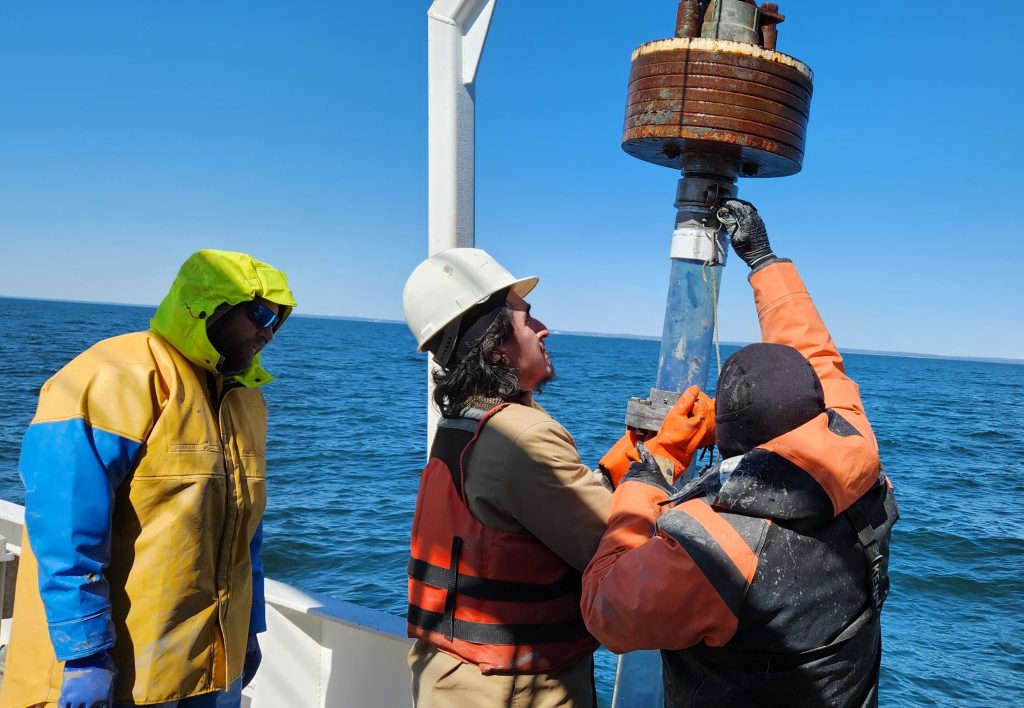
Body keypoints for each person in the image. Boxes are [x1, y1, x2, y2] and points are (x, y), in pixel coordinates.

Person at [581, 199, 900, 707]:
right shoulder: (856, 451)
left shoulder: (716, 548)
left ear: (726, 441)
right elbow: (817, 356)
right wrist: (764, 261)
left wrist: (655, 464)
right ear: (815, 409)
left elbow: (605, 608)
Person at [401, 248, 713, 707]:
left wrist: (631, 456)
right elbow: (620, 550)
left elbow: (557, 509)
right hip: (515, 690)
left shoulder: (466, 424)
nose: (545, 329)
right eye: (527, 320)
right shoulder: (520, 437)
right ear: (494, 345)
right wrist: (664, 456)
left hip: (456, 678)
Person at [0, 249, 297, 708]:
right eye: (259, 313)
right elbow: (62, 531)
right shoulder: (110, 377)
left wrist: (249, 627)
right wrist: (86, 656)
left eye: (277, 320)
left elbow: (246, 533)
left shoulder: (248, 402)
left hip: (213, 665)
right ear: (209, 306)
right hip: (125, 671)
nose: (267, 331)